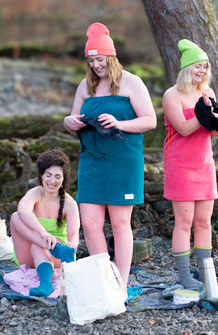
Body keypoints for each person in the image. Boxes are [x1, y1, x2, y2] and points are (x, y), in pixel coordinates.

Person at [63, 22, 156, 293]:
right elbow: (73, 119)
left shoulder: (131, 82)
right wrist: (69, 121)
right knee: (90, 223)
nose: (96, 65)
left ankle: (121, 284)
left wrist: (119, 123)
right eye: (91, 61)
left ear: (111, 57)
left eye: (100, 60)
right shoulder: (85, 86)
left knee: (119, 223)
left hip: (123, 162)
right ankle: (102, 280)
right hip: (92, 161)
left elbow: (150, 120)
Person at [162, 39, 218, 289]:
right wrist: (205, 114)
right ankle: (185, 277)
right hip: (179, 165)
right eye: (197, 66)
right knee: (184, 222)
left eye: (205, 66)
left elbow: (210, 131)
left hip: (204, 164)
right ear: (186, 68)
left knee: (203, 221)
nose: (202, 71)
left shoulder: (207, 93)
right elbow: (183, 128)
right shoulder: (171, 95)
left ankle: (205, 274)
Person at [10, 149, 80, 297]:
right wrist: (43, 234)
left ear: (63, 179)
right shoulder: (35, 193)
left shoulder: (69, 203)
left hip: (60, 256)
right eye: (48, 175)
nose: (52, 181)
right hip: (30, 254)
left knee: (39, 246)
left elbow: (74, 234)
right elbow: (23, 210)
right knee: (16, 217)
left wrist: (72, 244)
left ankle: (45, 284)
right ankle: (46, 245)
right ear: (41, 175)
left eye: (57, 177)